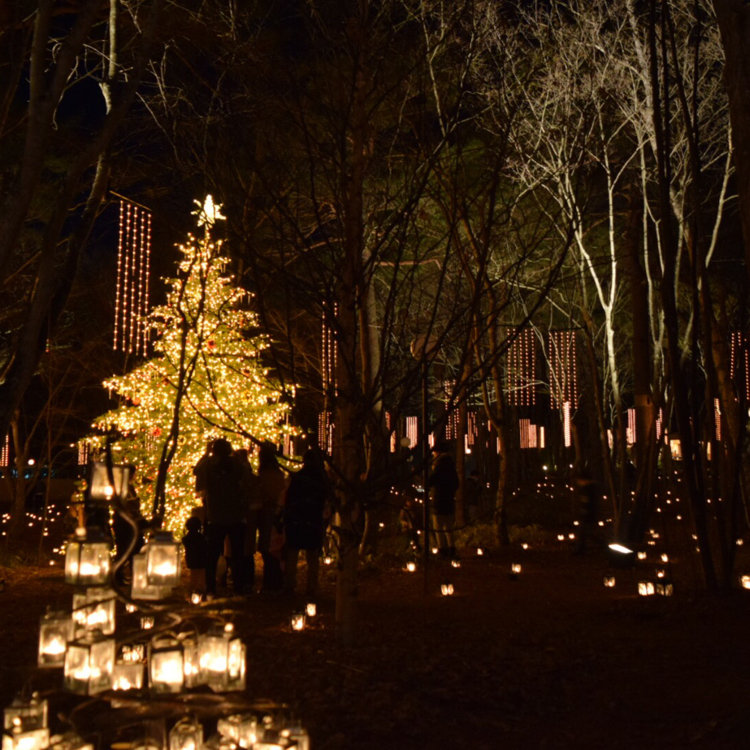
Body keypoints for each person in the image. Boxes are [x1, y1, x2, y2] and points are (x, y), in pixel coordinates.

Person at [200, 437, 248, 596]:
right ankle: (239, 585)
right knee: (237, 553)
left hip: (216, 515)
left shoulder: (209, 465)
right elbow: (245, 478)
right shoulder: (236, 465)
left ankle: (211, 586)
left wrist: (206, 454)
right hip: (235, 514)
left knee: (212, 554)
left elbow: (198, 473)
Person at [283, 448, 328, 598]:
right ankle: (311, 587)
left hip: (297, 519)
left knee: (293, 554)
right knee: (312, 556)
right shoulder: (321, 479)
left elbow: (289, 499)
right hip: (313, 519)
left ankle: (290, 585)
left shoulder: (298, 478)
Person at [256, 441, 287, 592]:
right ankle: (276, 580)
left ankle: (270, 582)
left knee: (268, 547)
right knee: (274, 547)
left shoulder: (263, 475)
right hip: (276, 514)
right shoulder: (278, 474)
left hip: (268, 513)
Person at [427, 443, 459, 559]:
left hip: (439, 500)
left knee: (438, 526)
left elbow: (431, 480)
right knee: (448, 527)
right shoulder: (451, 466)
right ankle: (451, 547)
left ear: (438, 453)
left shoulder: (439, 466)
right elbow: (456, 483)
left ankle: (442, 549)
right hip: (449, 500)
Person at [236, 448, 260, 593]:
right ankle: (246, 580)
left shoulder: (239, 478)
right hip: (248, 516)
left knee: (241, 549)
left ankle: (243, 580)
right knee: (246, 549)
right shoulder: (251, 478)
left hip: (242, 516)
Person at [574, 465, 600, 554]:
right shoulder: (590, 488)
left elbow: (587, 502)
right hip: (588, 514)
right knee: (586, 533)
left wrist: (584, 511)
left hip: (587, 515)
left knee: (583, 532)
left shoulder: (587, 489)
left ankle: (580, 550)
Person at [182, 511, 208, 598]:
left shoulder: (186, 538)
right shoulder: (201, 538)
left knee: (194, 577)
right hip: (201, 560)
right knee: (202, 576)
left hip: (192, 560)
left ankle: (192, 591)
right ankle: (202, 591)